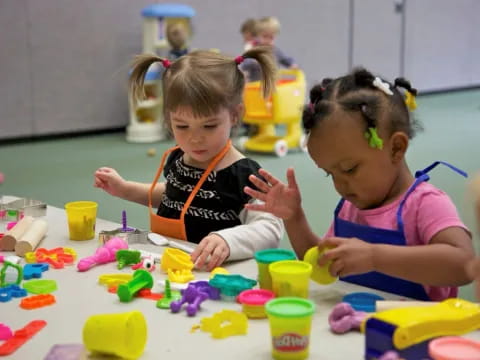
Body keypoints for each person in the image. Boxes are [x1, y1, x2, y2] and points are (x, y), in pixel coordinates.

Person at [244, 68, 474, 301]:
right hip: (357, 328)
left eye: (350, 169)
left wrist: (375, 257)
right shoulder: (351, 207)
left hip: (417, 332)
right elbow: (322, 264)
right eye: (329, 174)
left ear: (396, 148)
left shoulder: (425, 204)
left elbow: (464, 264)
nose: (340, 185)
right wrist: (294, 217)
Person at [94, 47, 283, 271]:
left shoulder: (243, 174)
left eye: (209, 125)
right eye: (182, 126)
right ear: (168, 118)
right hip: (168, 268)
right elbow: (175, 195)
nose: (195, 139)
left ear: (234, 114)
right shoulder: (178, 158)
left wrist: (228, 241)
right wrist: (125, 189)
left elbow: (271, 226)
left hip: (214, 276)